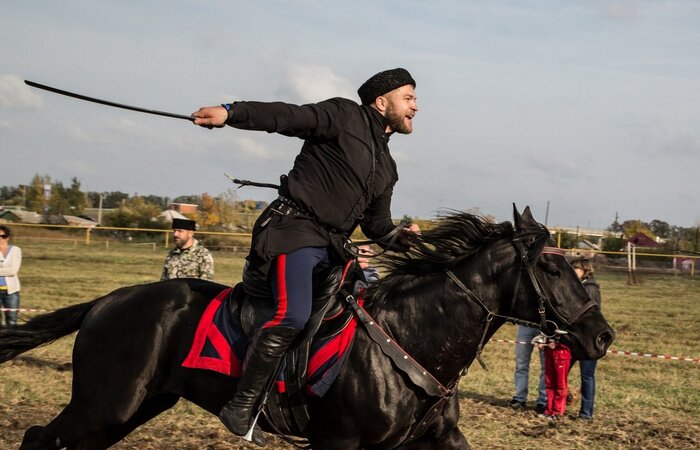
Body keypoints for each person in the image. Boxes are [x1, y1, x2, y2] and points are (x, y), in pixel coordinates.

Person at [192, 68, 421, 443]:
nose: (415, 106)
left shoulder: (388, 168)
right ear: (382, 103)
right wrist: (230, 112)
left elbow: (378, 225)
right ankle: (242, 403)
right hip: (292, 233)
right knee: (293, 314)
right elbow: (288, 116)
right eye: (408, 98)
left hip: (333, 249)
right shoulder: (343, 115)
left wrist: (401, 238)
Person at [569, 257, 601, 420]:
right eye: (572, 267)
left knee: (587, 376)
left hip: (588, 340)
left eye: (576, 268)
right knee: (561, 372)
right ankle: (557, 405)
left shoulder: (590, 288)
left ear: (585, 270)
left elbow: (586, 315)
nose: (573, 270)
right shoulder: (579, 286)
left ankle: (586, 413)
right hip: (576, 338)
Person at [510, 325, 547, 414]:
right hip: (525, 325)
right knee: (521, 364)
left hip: (545, 327)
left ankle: (543, 401)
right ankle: (520, 398)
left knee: (546, 367)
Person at [537, 335, 571, 420]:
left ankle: (557, 411)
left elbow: (570, 338)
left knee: (560, 385)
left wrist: (557, 344)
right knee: (549, 383)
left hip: (562, 354)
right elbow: (544, 332)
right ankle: (549, 410)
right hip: (549, 353)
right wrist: (542, 342)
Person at [0, 225, 22, 328]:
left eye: (3, 236)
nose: (1, 238)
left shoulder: (16, 250)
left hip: (11, 292)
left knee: (12, 322)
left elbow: (13, 271)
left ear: (7, 237)